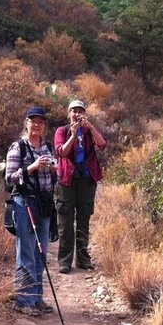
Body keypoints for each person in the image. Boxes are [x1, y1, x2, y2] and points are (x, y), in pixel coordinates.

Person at [4, 106, 57, 316]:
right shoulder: (18, 147)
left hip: (44, 204)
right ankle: (23, 300)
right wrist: (32, 167)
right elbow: (9, 178)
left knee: (40, 252)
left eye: (41, 122)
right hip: (24, 202)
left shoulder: (47, 147)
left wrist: (54, 171)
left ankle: (36, 299)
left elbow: (56, 179)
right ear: (26, 122)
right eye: (33, 121)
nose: (37, 125)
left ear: (44, 125)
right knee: (25, 251)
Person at [54, 99, 107, 274]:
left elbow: (102, 145)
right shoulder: (62, 131)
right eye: (74, 111)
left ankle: (83, 260)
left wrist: (91, 128)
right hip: (67, 180)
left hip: (86, 180)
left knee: (83, 220)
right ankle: (64, 261)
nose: (77, 114)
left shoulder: (88, 131)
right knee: (66, 222)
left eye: (80, 111)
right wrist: (72, 134)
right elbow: (61, 151)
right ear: (68, 113)